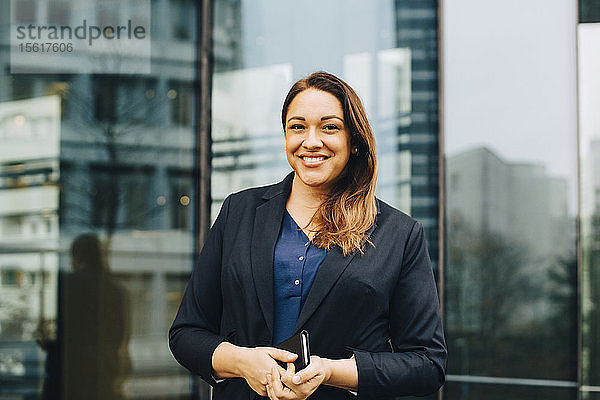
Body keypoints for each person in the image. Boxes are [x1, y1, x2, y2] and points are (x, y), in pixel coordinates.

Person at [169, 71, 446, 400]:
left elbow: (427, 363)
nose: (311, 141)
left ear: (353, 141)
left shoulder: (399, 234)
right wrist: (243, 362)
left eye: (329, 126)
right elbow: (186, 333)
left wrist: (330, 372)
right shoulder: (237, 212)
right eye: (297, 127)